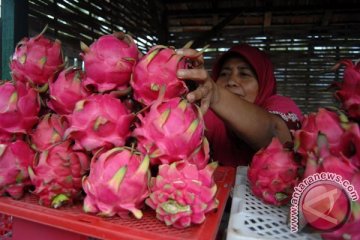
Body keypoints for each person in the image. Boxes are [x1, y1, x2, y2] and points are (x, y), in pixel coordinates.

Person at [176, 44, 303, 167]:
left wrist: (216, 95)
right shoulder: (211, 116)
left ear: (263, 82)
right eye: (224, 74)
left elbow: (278, 134)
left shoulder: (281, 105)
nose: (231, 81)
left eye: (244, 74)